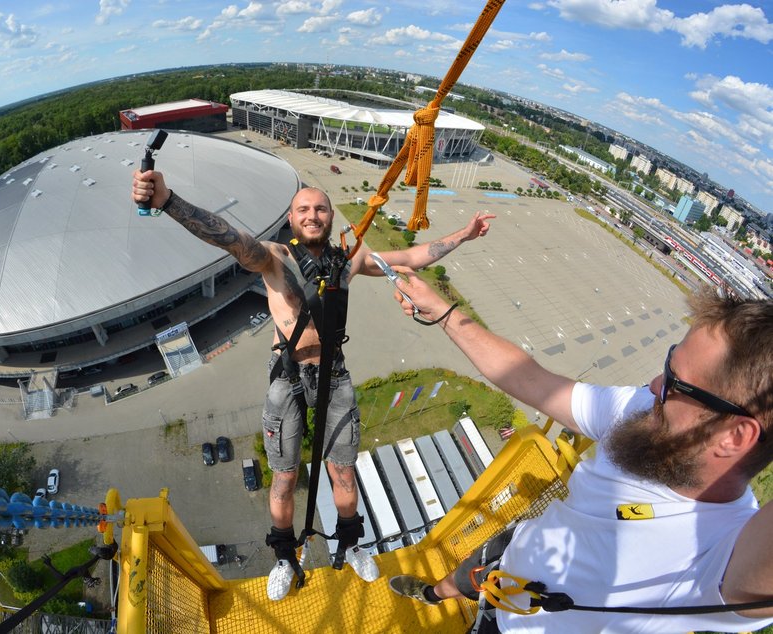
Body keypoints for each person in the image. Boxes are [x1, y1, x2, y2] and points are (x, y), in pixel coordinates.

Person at [132, 169, 494, 600]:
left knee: (343, 472)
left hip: (333, 375)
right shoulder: (274, 259)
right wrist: (169, 200)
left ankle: (351, 543)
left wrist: (465, 235)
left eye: (320, 207)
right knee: (284, 478)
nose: (313, 214)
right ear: (291, 217)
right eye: (303, 208)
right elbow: (226, 237)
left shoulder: (349, 260)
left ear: (329, 216)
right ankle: (285, 557)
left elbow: (413, 257)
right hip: (287, 378)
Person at [385, 270, 773, 633]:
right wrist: (445, 313)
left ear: (733, 437)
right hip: (517, 550)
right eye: (667, 364)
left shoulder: (722, 554)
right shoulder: (642, 414)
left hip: (512, 625)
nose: (655, 383)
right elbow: (534, 381)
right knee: (465, 574)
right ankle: (432, 594)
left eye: (676, 382)